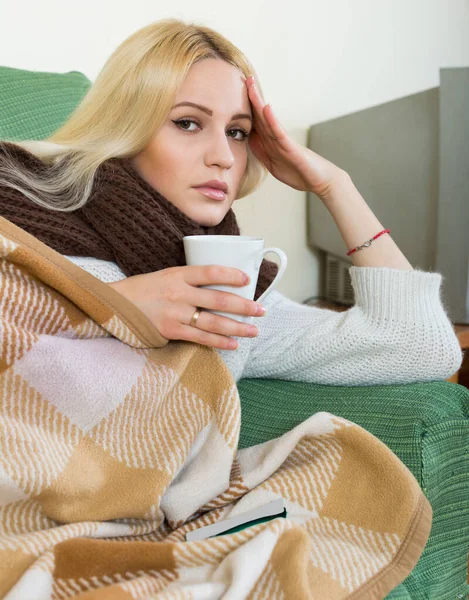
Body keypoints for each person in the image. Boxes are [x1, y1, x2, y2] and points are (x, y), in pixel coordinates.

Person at [0, 19, 463, 386]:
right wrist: (106, 307)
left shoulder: (229, 294)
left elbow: (420, 346)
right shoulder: (24, 216)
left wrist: (335, 186)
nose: (223, 157)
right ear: (126, 126)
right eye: (187, 123)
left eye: (237, 132)